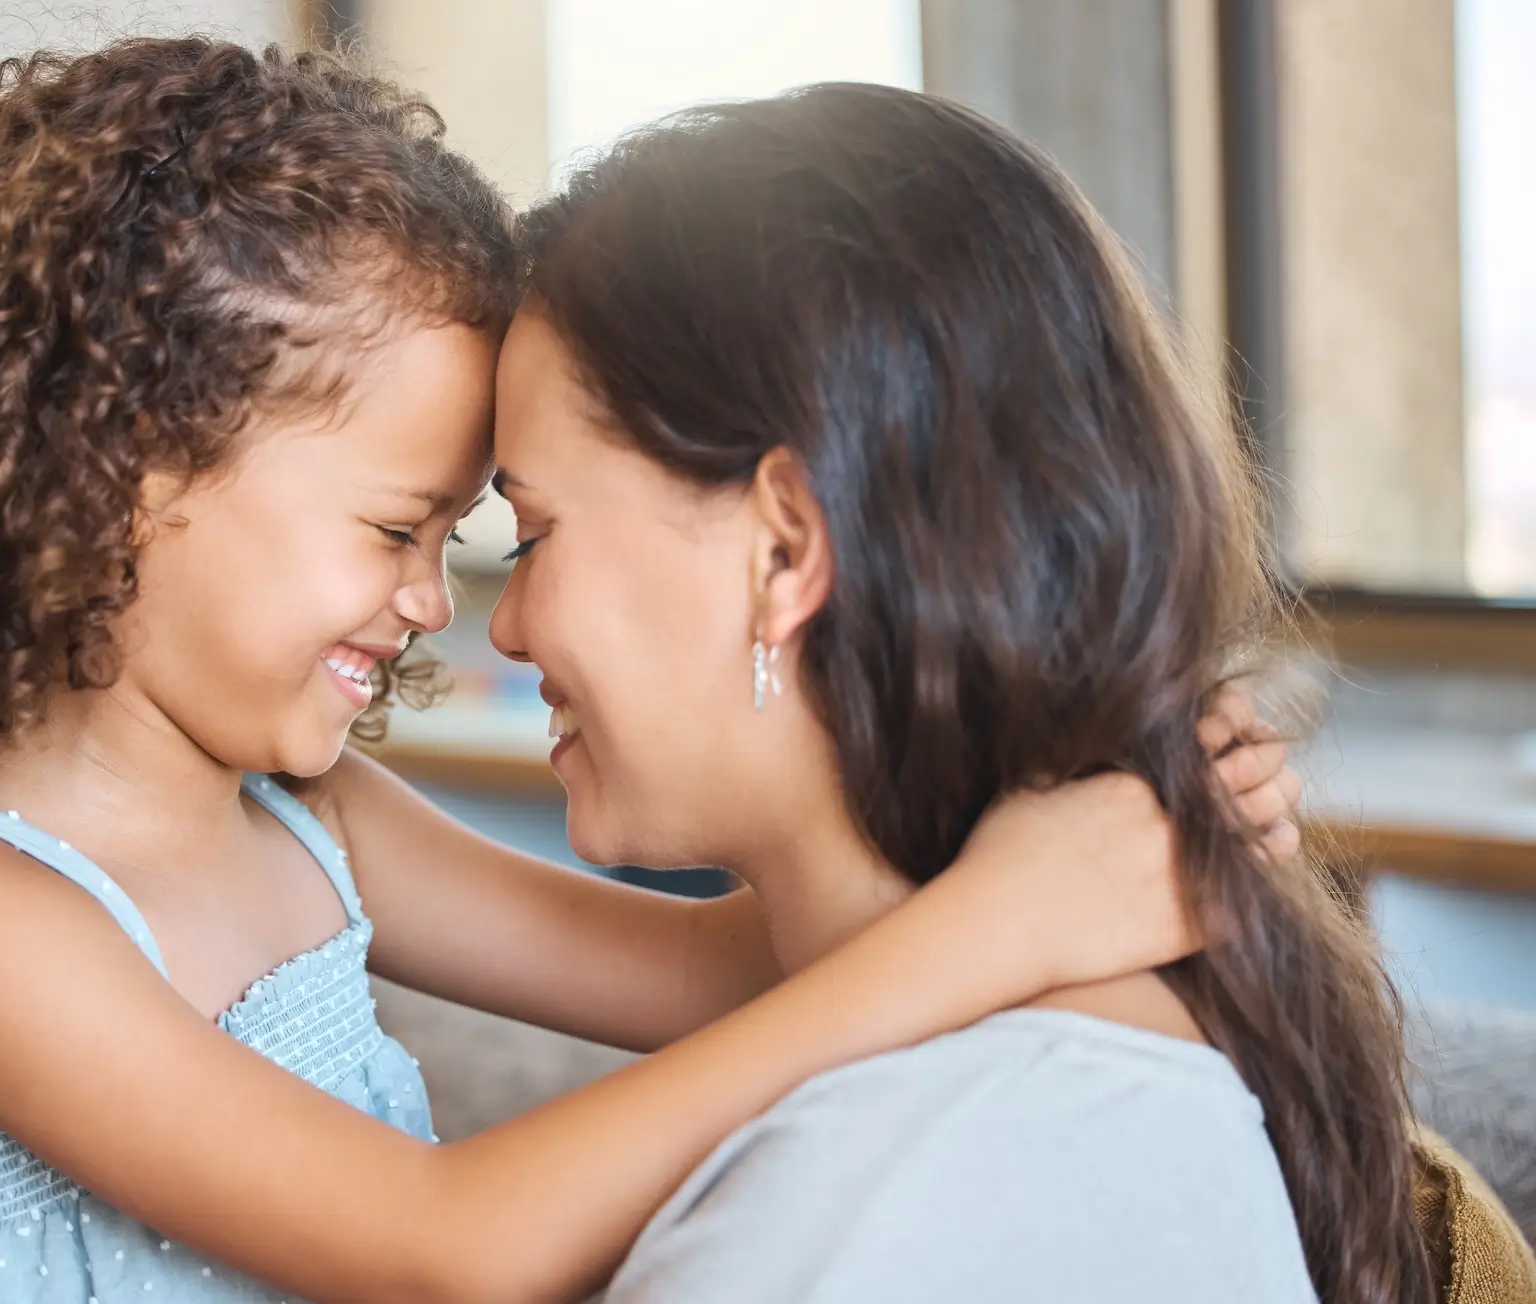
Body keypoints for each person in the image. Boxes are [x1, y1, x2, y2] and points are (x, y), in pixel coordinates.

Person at [0, 38, 1302, 1304]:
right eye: (393, 527)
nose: (437, 602)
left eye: (467, 532)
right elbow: (447, 1247)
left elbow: (716, 973)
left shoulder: (314, 820)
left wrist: (1101, 804)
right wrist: (1008, 915)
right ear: (120, 482)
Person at [482, 82, 1429, 1302]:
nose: (500, 626)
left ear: (781, 548)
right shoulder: (1058, 1041)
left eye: (529, 533)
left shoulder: (873, 1210)